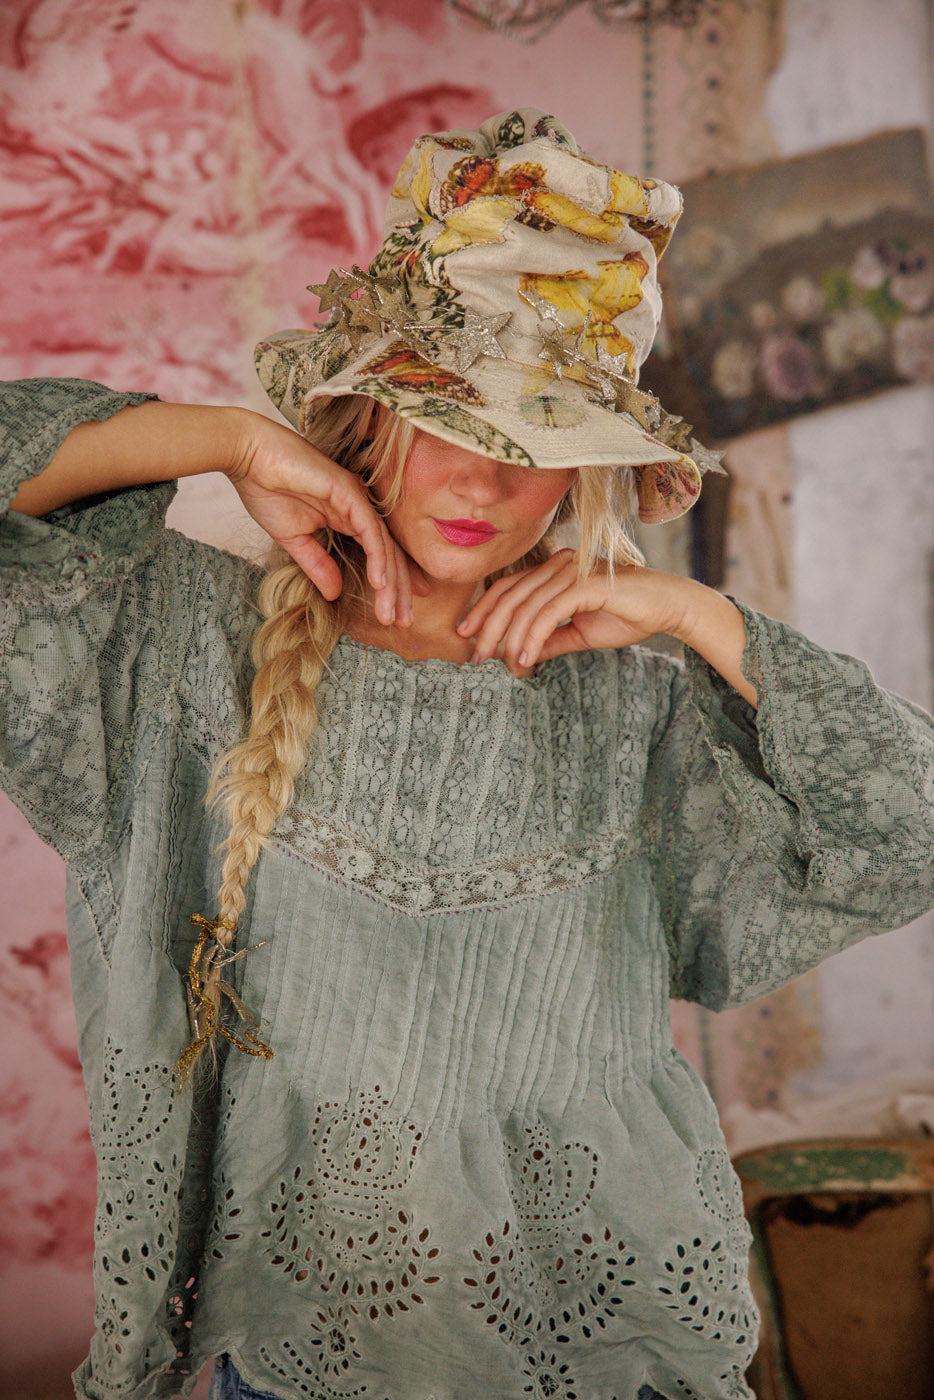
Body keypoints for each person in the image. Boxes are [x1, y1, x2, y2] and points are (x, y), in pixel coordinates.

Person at [1, 109, 931, 1400]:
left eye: (539, 443)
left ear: (590, 472)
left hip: (611, 1358)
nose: (483, 483)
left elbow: (904, 835)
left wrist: (699, 615)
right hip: (292, 1358)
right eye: (447, 417)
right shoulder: (175, 648)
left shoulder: (638, 700)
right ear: (366, 409)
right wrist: (230, 439)